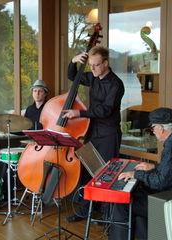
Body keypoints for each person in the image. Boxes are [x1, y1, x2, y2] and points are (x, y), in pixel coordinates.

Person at [108, 107, 172, 240]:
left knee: (123, 203)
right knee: (139, 197)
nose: (153, 132)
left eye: (153, 128)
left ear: (161, 128)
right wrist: (154, 167)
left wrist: (135, 175)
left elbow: (160, 182)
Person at [62, 46, 125, 222]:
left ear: (105, 63)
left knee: (105, 173)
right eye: (90, 65)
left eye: (96, 65)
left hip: (108, 133)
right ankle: (85, 211)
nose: (93, 69)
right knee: (88, 171)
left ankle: (106, 215)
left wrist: (79, 113)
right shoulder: (93, 77)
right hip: (92, 131)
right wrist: (73, 62)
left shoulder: (116, 84)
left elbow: (105, 110)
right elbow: (72, 77)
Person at [2, 79, 49, 201]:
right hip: (30, 147)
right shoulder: (29, 110)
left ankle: (39, 193)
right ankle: (8, 197)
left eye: (40, 91)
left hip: (45, 148)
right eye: (34, 91)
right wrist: (9, 129)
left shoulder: (49, 108)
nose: (37, 93)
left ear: (45, 93)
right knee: (8, 162)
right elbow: (24, 129)